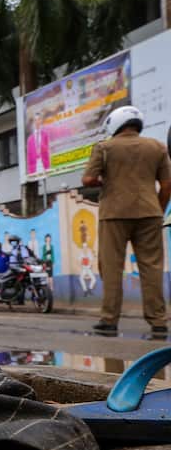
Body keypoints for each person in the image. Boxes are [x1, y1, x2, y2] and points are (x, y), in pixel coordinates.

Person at [81, 105, 171, 338]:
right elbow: (167, 184)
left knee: (111, 268)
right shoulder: (157, 147)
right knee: (151, 267)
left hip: (114, 214)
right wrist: (157, 209)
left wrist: (102, 182)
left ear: (115, 124)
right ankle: (158, 322)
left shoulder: (104, 147)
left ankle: (109, 321)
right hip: (149, 213)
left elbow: (88, 178)